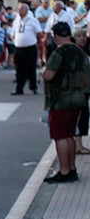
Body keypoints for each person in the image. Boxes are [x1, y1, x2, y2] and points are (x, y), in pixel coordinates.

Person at [42, 21, 90, 182]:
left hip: (61, 99)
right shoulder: (80, 52)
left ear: (55, 36)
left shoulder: (59, 52)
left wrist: (43, 72)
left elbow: (49, 75)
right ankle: (72, 169)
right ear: (69, 34)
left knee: (60, 136)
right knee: (70, 134)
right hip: (78, 98)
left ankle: (64, 171)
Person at [12, 2, 42, 95]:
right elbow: (13, 32)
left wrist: (34, 41)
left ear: (26, 10)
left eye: (21, 9)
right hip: (18, 48)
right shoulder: (16, 20)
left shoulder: (32, 20)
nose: (19, 11)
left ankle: (33, 87)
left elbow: (39, 33)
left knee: (31, 68)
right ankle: (19, 89)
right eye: (18, 9)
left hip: (30, 47)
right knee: (18, 69)